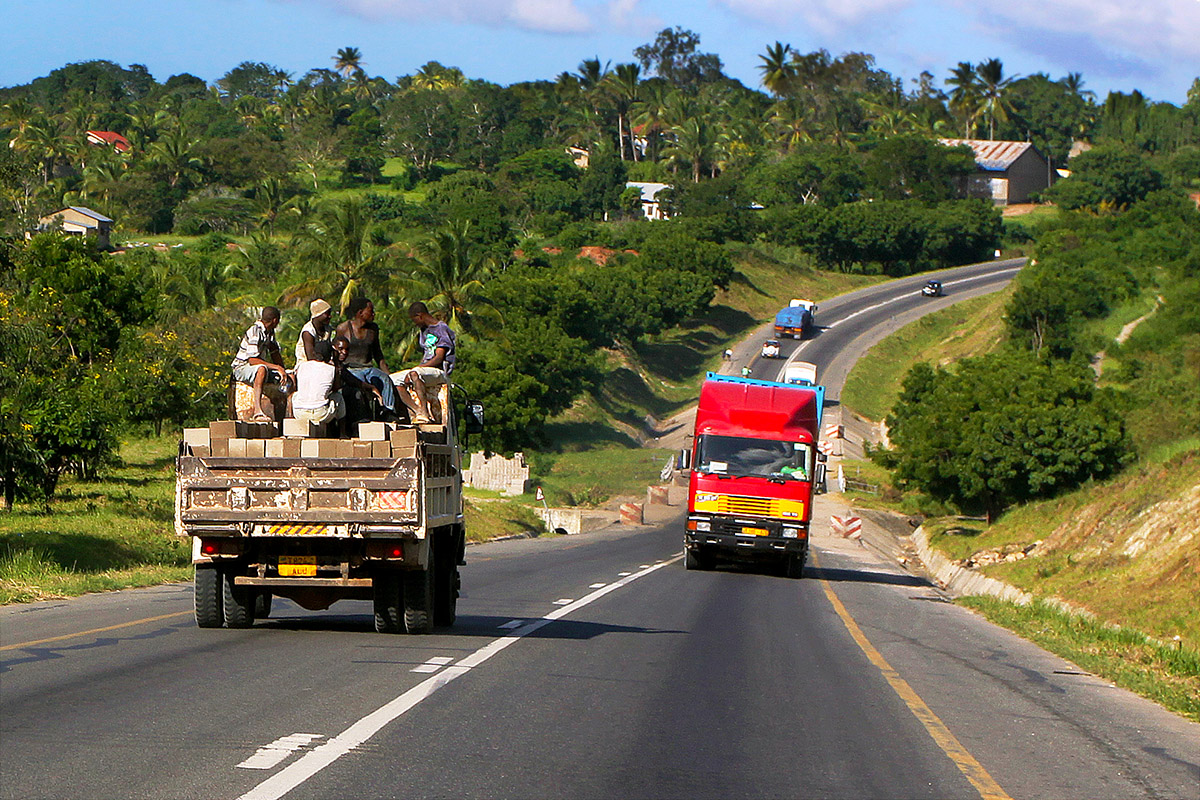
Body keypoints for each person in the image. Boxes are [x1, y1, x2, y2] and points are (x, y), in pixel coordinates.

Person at [391, 301, 456, 425]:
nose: (415, 323)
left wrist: (418, 368)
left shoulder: (441, 328)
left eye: (414, 319)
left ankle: (424, 412)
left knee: (415, 373)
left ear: (420, 316)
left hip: (440, 372)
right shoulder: (424, 331)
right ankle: (416, 410)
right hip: (425, 370)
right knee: (392, 380)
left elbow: (438, 358)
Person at [334, 297, 398, 418]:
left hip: (368, 368)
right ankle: (362, 417)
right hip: (351, 369)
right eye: (371, 311)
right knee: (359, 385)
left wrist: (388, 375)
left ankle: (388, 411)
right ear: (360, 313)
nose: (373, 314)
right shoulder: (343, 328)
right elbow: (336, 352)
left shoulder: (373, 329)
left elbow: (378, 354)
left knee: (385, 380)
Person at [231, 306, 290, 422]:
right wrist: (277, 367)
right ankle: (257, 411)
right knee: (261, 369)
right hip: (242, 367)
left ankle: (288, 416)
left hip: (256, 366)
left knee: (290, 376)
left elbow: (274, 352)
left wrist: (283, 371)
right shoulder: (255, 331)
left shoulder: (269, 333)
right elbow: (252, 360)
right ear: (275, 320)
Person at [332, 334, 384, 426]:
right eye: (340, 349)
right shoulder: (329, 365)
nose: (344, 352)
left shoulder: (340, 366)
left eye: (347, 349)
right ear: (333, 348)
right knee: (352, 392)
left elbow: (353, 380)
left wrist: (371, 388)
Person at [291, 340, 345, 427]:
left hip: (299, 413)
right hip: (320, 414)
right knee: (338, 396)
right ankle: (343, 433)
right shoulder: (331, 369)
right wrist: (336, 362)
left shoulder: (302, 366)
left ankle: (292, 425)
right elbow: (336, 388)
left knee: (294, 395)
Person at [295, 298, 332, 365]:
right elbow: (310, 357)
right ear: (318, 314)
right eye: (327, 314)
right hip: (306, 365)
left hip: (323, 364)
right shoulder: (308, 332)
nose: (330, 316)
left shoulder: (327, 329)